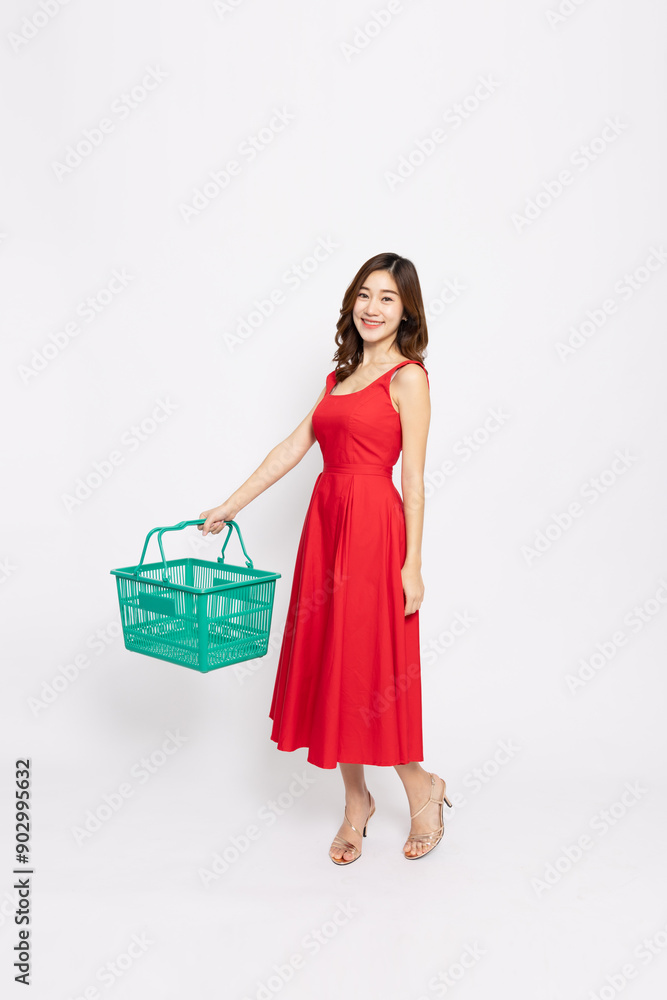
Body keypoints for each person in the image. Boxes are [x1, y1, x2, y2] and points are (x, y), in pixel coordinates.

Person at [199, 252, 452, 864]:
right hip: (326, 529)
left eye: (387, 298)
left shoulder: (409, 379)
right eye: (365, 294)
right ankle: (355, 801)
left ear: (406, 311)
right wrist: (230, 505)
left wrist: (413, 564)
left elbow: (414, 480)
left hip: (374, 532)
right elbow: (293, 447)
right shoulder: (339, 377)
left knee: (371, 666)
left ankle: (421, 786)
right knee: (333, 659)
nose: (372, 307)